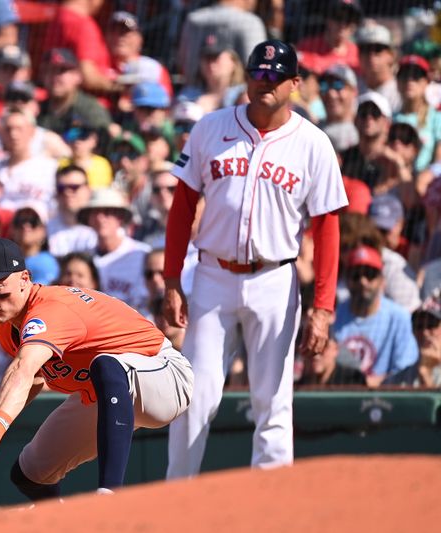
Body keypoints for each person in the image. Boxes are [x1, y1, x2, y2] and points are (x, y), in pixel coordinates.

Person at [163, 40, 348, 479]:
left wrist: (322, 307)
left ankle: (272, 508)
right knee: (194, 396)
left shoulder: (313, 144)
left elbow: (328, 231)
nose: (265, 81)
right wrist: (172, 279)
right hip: (212, 276)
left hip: (274, 279)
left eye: (275, 75)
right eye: (258, 73)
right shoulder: (210, 127)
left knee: (273, 400)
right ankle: (176, 497)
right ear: (246, 77)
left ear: (295, 84)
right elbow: (182, 207)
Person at [0, 237, 193, 497]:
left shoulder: (50, 309)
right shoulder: (8, 325)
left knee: (107, 365)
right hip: (106, 392)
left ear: (25, 279)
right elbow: (35, 378)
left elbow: (22, 369)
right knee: (31, 474)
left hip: (163, 374)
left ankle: (109, 495)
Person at [332, 245, 419, 387]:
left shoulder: (398, 317)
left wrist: (375, 382)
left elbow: (406, 369)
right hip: (341, 394)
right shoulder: (334, 315)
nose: (363, 281)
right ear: (347, 279)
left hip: (387, 396)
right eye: (356, 275)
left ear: (381, 280)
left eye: (370, 274)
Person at [296, 334, 366, 387]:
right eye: (310, 346)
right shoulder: (298, 387)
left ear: (336, 349)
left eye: (323, 346)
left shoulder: (353, 380)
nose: (316, 354)